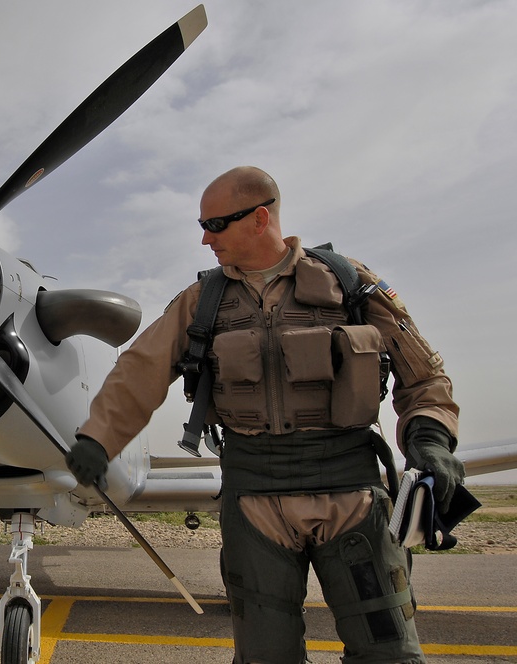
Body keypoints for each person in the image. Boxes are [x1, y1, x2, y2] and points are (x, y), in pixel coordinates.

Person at [65, 166, 464, 663]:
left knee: (390, 653)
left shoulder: (349, 283)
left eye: (215, 225)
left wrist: (430, 438)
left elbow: (423, 376)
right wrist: (97, 439)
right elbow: (140, 370)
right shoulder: (200, 301)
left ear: (259, 218)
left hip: (351, 498)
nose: (204, 239)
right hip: (255, 502)